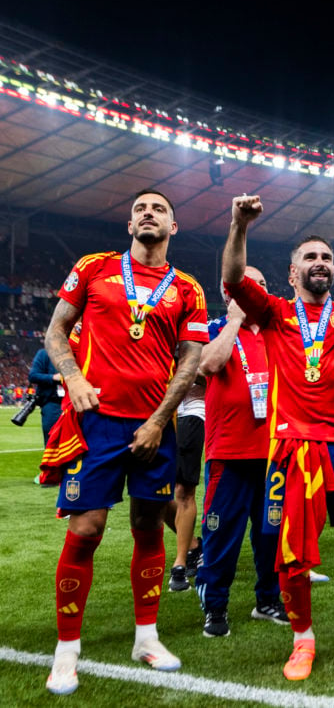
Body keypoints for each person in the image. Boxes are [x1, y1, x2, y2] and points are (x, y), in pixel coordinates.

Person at [222, 194, 334, 680]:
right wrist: (239, 225)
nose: (320, 263)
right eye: (311, 257)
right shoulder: (275, 314)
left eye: (327, 258)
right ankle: (302, 640)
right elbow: (234, 280)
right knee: (292, 553)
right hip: (290, 448)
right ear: (292, 272)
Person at [41, 189, 207, 694]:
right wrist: (73, 378)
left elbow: (191, 360)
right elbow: (55, 332)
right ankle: (66, 650)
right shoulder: (93, 268)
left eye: (159, 209)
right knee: (87, 529)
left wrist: (160, 421)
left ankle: (146, 638)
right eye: (140, 209)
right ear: (129, 223)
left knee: (147, 529)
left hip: (153, 426)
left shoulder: (187, 288)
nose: (148, 214)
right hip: (97, 424)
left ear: (173, 228)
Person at [194, 267, 287, 637]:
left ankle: (268, 600)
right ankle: (215, 605)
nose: (256, 290)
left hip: (274, 453)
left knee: (271, 533)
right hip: (229, 452)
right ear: (229, 291)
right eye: (247, 284)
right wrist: (234, 320)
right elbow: (209, 365)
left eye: (262, 284)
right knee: (222, 535)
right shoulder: (215, 328)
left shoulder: (278, 333)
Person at [166, 380, 204, 592]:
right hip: (153, 407)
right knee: (153, 495)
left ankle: (180, 564)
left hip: (190, 409)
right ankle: (193, 547)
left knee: (183, 490)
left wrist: (187, 372)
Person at [28, 347, 62, 446]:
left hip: (73, 404)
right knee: (52, 441)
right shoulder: (45, 354)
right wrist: (53, 377)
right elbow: (33, 376)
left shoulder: (75, 354)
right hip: (52, 403)